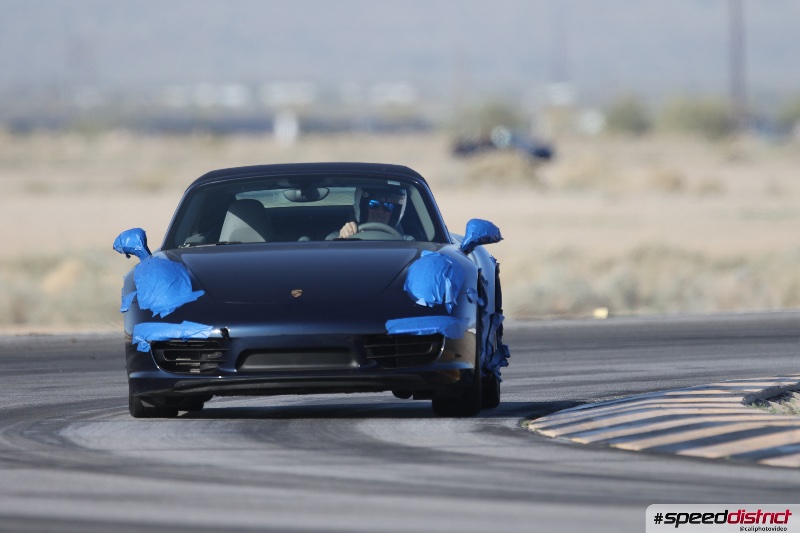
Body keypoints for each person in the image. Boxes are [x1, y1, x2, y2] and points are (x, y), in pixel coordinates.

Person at [338, 186, 409, 238]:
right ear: (363, 208)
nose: (381, 211)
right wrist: (342, 239)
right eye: (374, 204)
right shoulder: (345, 235)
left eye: (388, 206)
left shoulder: (406, 242)